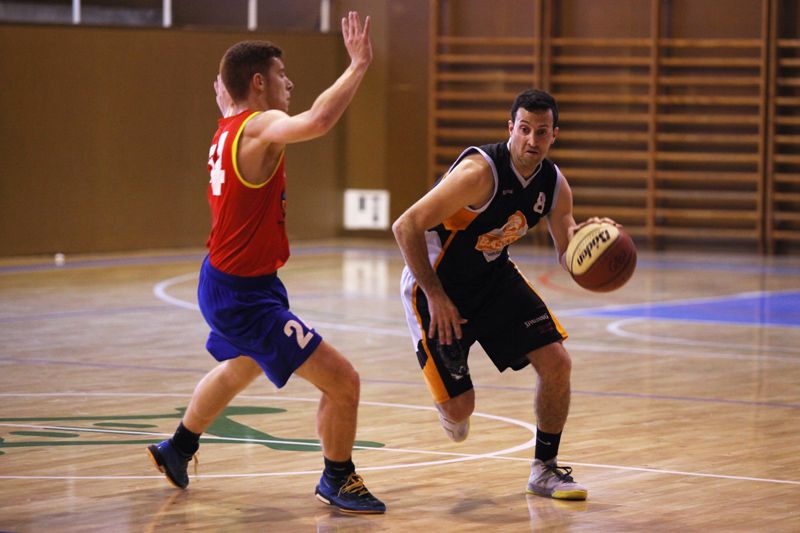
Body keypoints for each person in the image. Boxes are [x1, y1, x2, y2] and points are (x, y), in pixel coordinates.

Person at [147, 12, 385, 514]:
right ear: (258, 82)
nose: (290, 83)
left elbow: (240, 111)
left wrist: (231, 100)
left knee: (240, 368)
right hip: (244, 296)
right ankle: (337, 478)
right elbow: (318, 121)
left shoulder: (229, 127)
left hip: (229, 281)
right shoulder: (257, 127)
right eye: (281, 74)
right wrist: (358, 65)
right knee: (343, 382)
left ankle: (178, 448)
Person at [393, 89, 610, 501]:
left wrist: (589, 246)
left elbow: (567, 253)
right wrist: (436, 295)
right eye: (524, 129)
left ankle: (544, 469)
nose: (532, 140)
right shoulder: (478, 174)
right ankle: (447, 398)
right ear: (510, 128)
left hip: (493, 278)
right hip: (438, 284)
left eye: (541, 132)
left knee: (557, 362)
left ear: (554, 135)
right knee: (460, 413)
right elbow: (406, 226)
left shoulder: (553, 184)